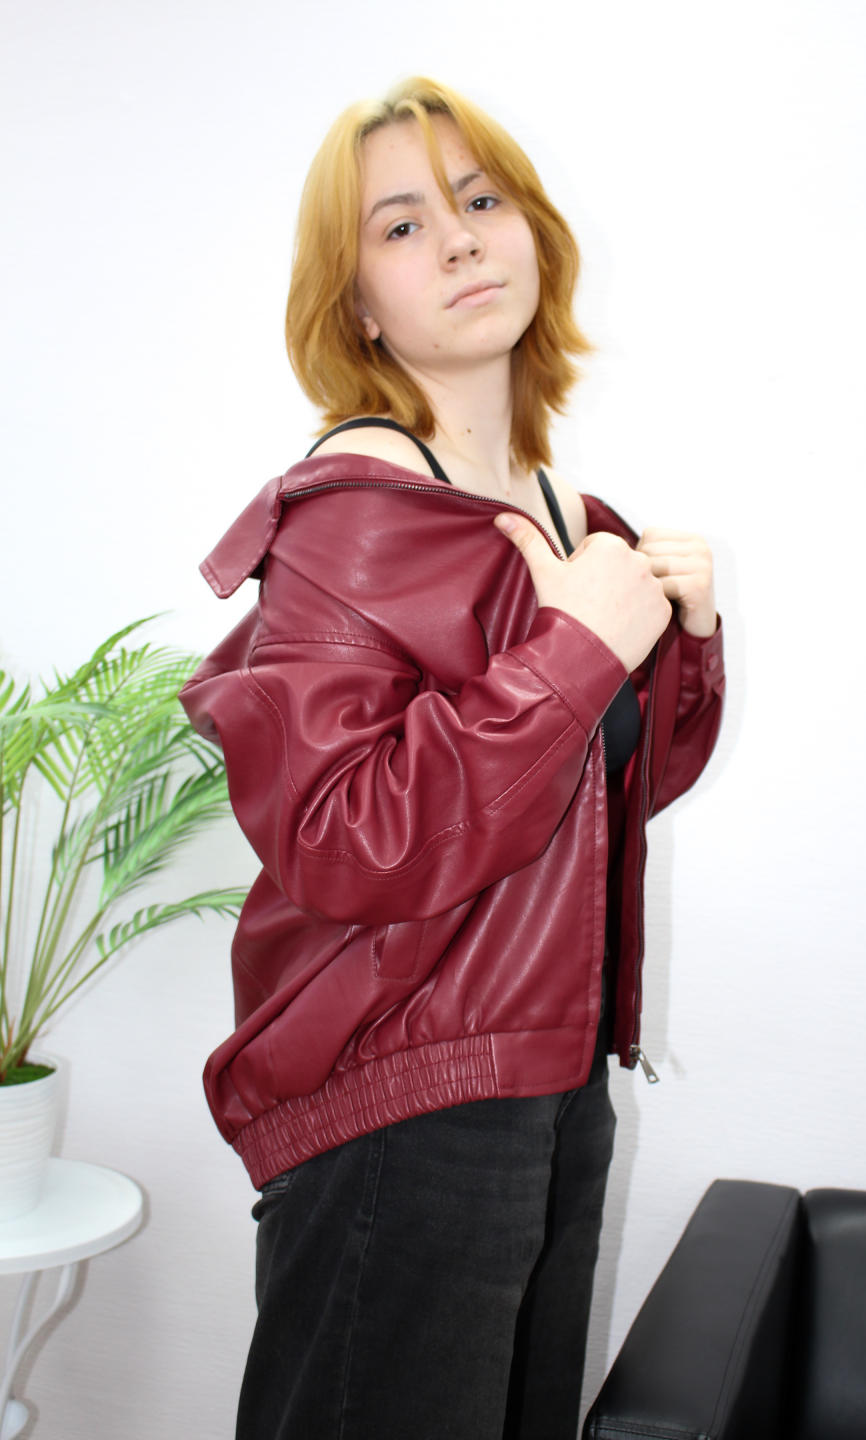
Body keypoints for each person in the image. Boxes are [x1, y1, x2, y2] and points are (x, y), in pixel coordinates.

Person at [180, 76, 724, 1440]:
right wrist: (575, 651)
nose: (463, 239)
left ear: (533, 230)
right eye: (404, 225)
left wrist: (685, 641)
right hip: (408, 1095)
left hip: (552, 1074)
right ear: (359, 301)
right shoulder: (353, 514)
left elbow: (608, 799)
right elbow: (345, 841)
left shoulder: (572, 517)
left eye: (481, 201)